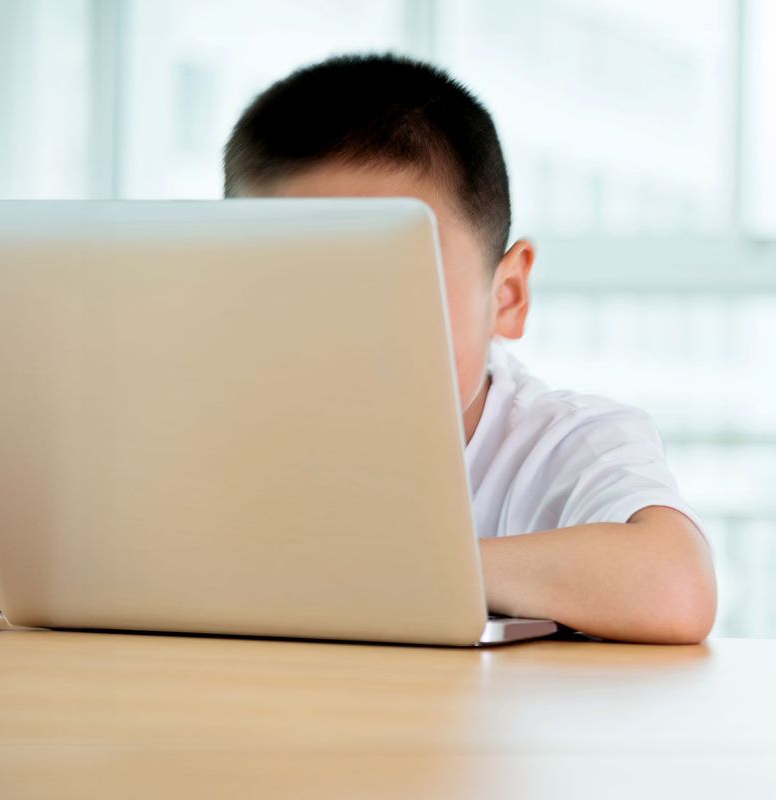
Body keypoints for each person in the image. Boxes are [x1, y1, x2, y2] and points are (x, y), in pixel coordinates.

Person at [223, 53, 716, 644]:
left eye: (398, 283)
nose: (342, 336)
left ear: (505, 297)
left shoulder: (562, 443)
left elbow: (675, 586)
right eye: (292, 289)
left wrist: (396, 569)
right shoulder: (211, 433)